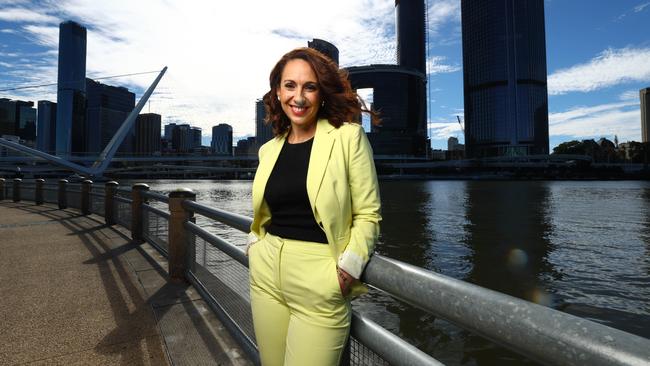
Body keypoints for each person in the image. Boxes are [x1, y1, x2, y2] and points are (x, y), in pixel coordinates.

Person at [247, 47, 382, 366]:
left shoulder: (348, 138)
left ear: (322, 93)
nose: (299, 96)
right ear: (278, 92)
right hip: (266, 273)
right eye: (290, 85)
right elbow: (265, 212)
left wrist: (347, 269)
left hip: (320, 277)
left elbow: (368, 214)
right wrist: (255, 243)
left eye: (309, 86)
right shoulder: (269, 150)